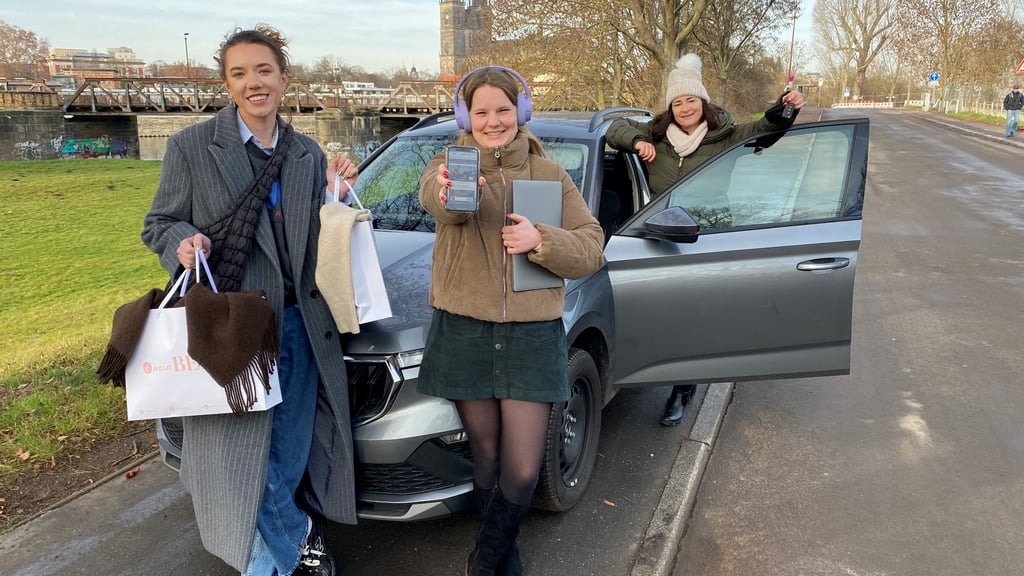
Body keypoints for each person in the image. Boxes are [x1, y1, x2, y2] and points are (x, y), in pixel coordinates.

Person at [141, 25, 358, 576]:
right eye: (239, 73)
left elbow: (313, 244)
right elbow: (159, 222)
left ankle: (284, 548)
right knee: (244, 462)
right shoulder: (193, 147)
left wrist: (335, 198)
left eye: (263, 70)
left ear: (284, 78)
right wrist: (180, 242)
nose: (253, 83)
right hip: (233, 329)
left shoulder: (306, 152)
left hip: (299, 326)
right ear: (227, 84)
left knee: (288, 453)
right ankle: (297, 546)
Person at [417, 66, 605, 575]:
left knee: (522, 470)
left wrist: (542, 241)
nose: (493, 121)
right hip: (466, 330)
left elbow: (591, 246)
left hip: (531, 334)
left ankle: (483, 560)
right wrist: (454, 194)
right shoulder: (445, 166)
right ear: (465, 117)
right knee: (486, 457)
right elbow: (437, 202)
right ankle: (503, 554)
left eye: (503, 109)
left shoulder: (551, 174)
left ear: (520, 112)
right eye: (481, 112)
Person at [606, 53, 804, 427]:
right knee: (662, 314)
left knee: (693, 316)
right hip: (660, 236)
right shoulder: (657, 135)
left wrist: (785, 109)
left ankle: (682, 388)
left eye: (691, 100)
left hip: (706, 236)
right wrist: (637, 140)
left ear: (702, 101)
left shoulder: (723, 136)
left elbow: (765, 130)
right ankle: (653, 369)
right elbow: (615, 127)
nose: (684, 108)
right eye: (677, 102)